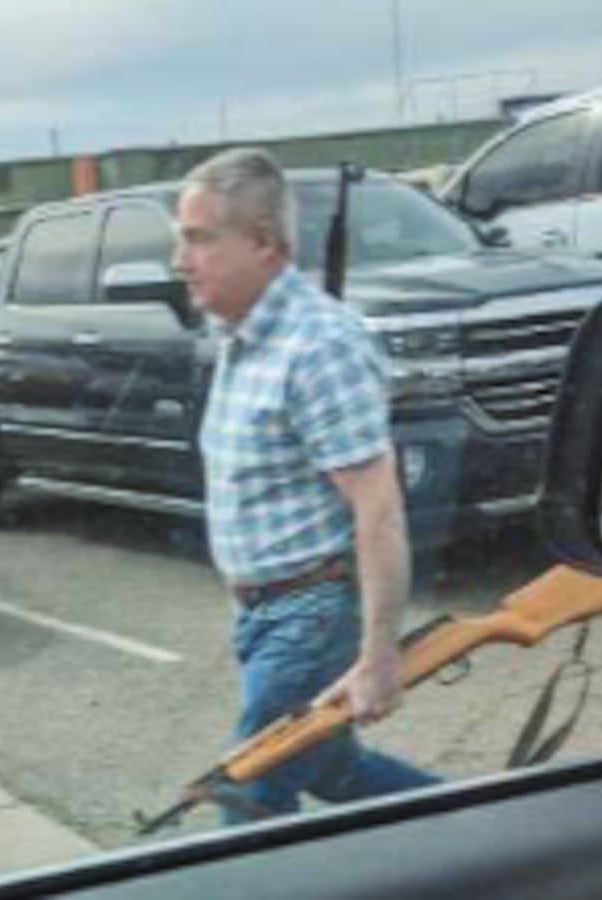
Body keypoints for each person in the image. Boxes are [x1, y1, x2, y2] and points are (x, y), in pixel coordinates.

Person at [173, 148, 437, 825]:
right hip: (265, 616)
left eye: (199, 238)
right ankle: (491, 829)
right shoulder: (240, 336)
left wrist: (380, 655)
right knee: (335, 771)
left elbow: (377, 507)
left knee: (249, 795)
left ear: (262, 242)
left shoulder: (318, 345)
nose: (180, 258)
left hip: (309, 613)